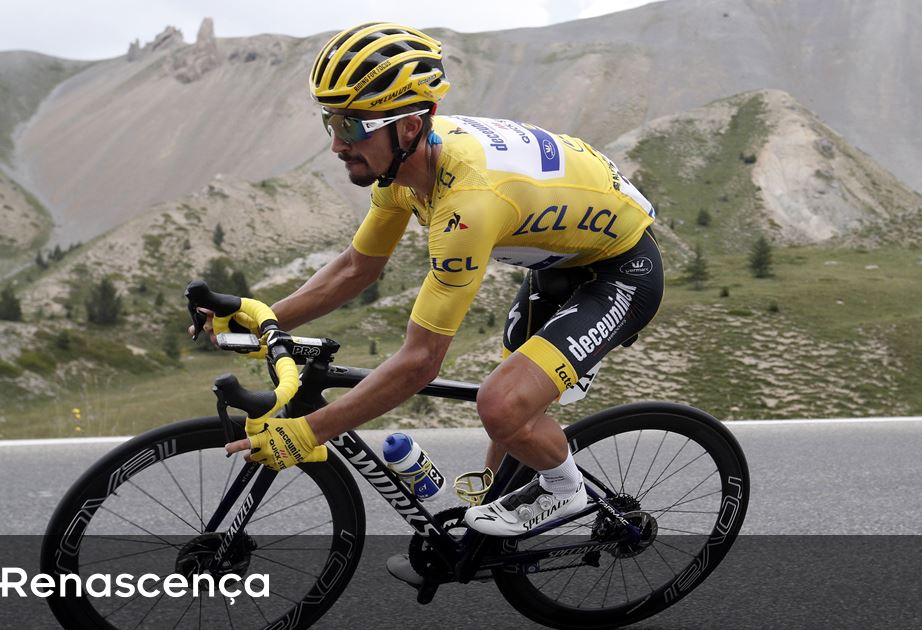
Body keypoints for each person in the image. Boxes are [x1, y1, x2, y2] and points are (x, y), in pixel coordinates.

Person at [214, 22, 662, 545]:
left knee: (502, 404)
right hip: (560, 260)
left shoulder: (467, 205)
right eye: (330, 121)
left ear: (408, 127)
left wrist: (308, 432)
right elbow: (357, 268)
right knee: (512, 411)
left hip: (621, 271)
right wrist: (263, 319)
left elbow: (421, 361)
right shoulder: (404, 168)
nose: (336, 143)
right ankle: (484, 539)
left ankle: (565, 489)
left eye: (352, 126)